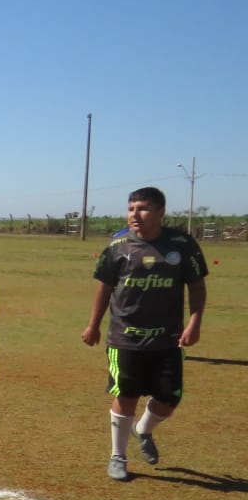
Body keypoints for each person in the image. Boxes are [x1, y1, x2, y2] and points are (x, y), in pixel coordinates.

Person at [81, 186, 208, 481]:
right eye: (131, 208)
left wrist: (195, 322)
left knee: (168, 398)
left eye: (143, 208)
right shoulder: (118, 246)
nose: (134, 214)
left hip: (168, 338)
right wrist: (93, 324)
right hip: (125, 337)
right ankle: (118, 456)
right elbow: (105, 287)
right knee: (126, 395)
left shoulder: (182, 244)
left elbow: (197, 286)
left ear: (161, 212)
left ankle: (143, 429)